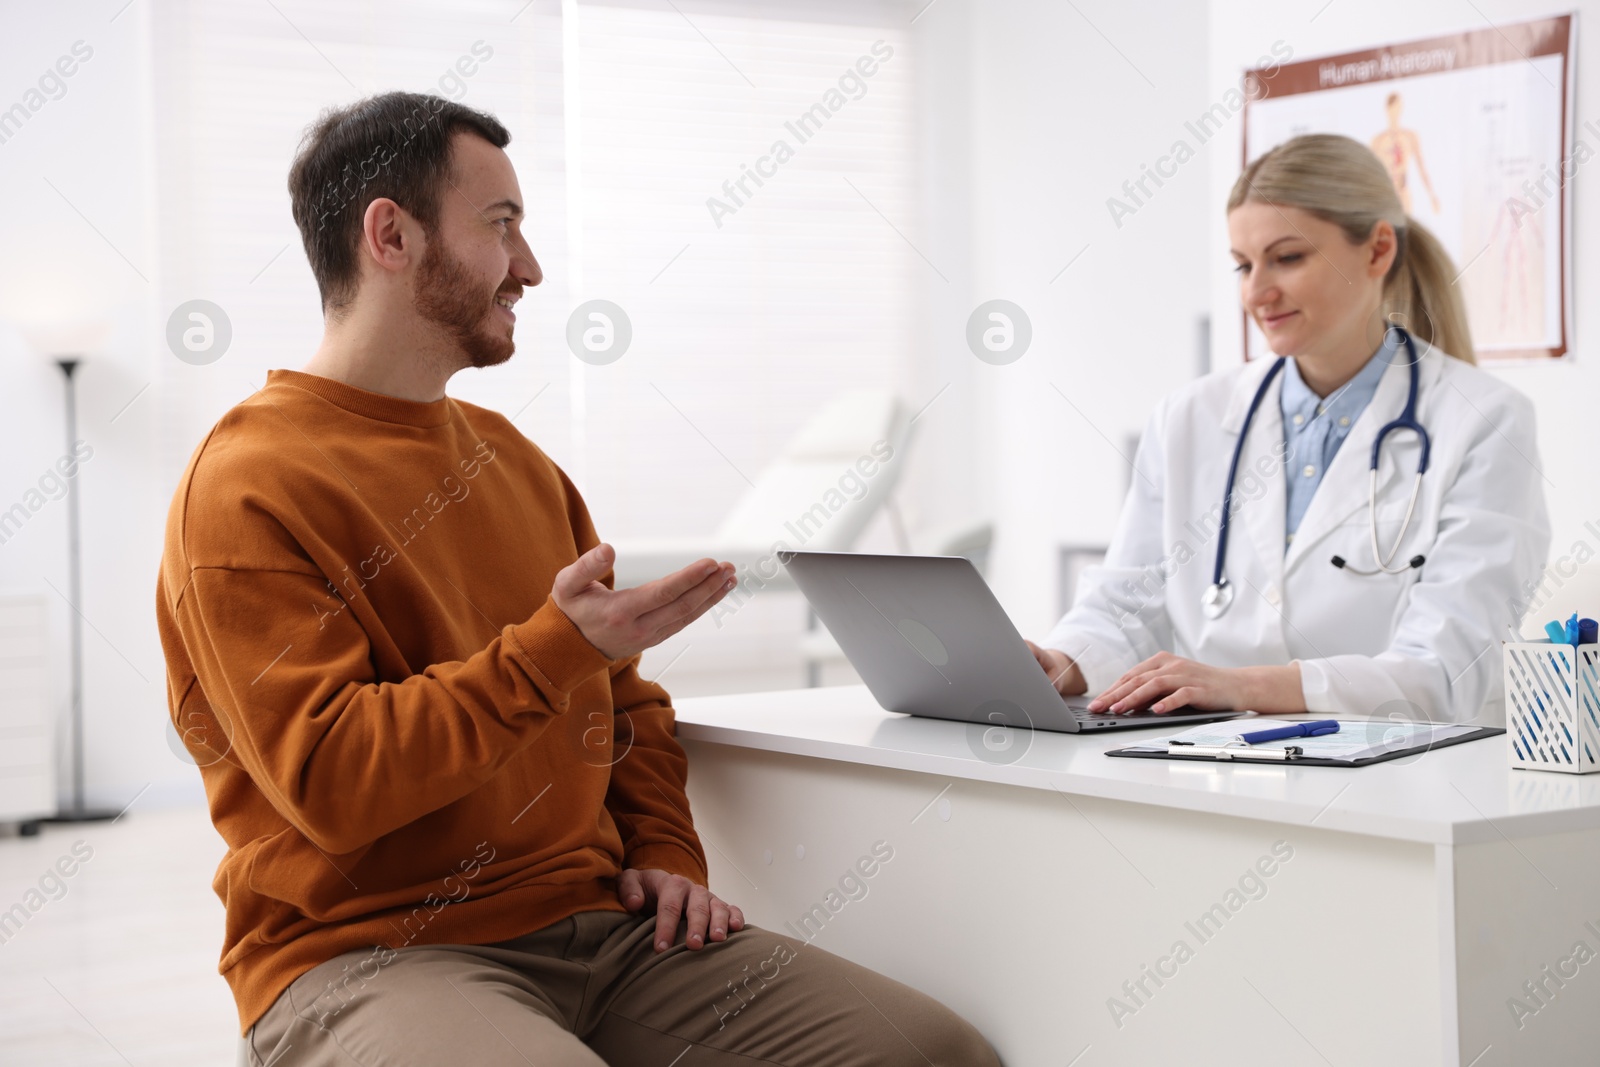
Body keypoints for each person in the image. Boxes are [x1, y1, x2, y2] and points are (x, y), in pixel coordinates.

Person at [155, 91, 999, 1067]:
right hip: (374, 952)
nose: (530, 267)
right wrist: (558, 650)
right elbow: (335, 782)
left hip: (604, 929)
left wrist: (664, 854)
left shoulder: (516, 462)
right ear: (389, 234)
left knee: (931, 1050)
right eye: (501, 225)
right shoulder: (247, 485)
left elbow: (625, 706)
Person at [1026, 133, 1550, 724]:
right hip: (1216, 769)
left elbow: (1445, 667)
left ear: (1378, 250)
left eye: (1288, 258)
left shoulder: (1485, 420)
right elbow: (1126, 603)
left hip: (1407, 782)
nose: (1256, 292)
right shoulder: (1190, 416)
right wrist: (1064, 660)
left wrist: (1244, 686)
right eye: (1244, 265)